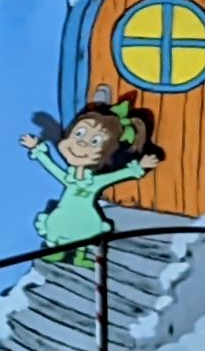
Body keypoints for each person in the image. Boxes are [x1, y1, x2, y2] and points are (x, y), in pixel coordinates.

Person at [21, 95, 164, 251]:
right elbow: (52, 167)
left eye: (94, 142)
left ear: (105, 154)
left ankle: (80, 254)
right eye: (78, 134)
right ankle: (56, 252)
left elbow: (118, 175)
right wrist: (38, 149)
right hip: (62, 218)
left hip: (86, 219)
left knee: (83, 236)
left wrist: (140, 167)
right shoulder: (70, 179)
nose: (81, 143)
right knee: (58, 232)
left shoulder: (95, 182)